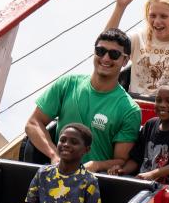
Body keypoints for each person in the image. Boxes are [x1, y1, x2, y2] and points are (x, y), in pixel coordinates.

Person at [25, 31, 142, 172]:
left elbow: (120, 160)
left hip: (93, 184)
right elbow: (33, 123)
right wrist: (54, 156)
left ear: (125, 61)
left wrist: (96, 165)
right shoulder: (67, 84)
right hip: (56, 175)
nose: (105, 58)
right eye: (100, 51)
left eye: (114, 54)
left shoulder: (129, 109)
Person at [22, 123, 105, 203]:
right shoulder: (43, 172)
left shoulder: (89, 180)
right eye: (62, 140)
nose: (66, 144)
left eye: (74, 142)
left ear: (86, 150)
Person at [120, 80, 169, 182]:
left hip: (167, 192)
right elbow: (136, 158)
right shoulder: (150, 125)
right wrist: (123, 171)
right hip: (143, 187)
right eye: (158, 100)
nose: (162, 104)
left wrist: (154, 174)